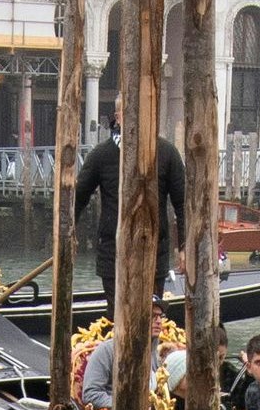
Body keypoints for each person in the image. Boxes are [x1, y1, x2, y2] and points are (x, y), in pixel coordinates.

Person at [69, 124, 187, 300]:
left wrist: (185, 247)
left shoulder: (167, 153)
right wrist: (69, 235)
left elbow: (183, 204)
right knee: (115, 316)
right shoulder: (101, 155)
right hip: (112, 254)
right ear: (118, 117)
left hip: (154, 253)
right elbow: (77, 199)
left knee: (152, 312)